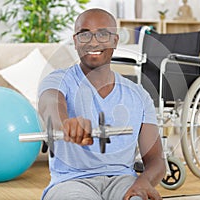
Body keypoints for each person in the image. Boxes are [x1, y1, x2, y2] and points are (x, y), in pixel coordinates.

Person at [38, 8, 166, 200]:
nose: (94, 42)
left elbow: (156, 160)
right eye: (85, 34)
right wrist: (65, 123)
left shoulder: (139, 94)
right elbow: (50, 104)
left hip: (123, 181)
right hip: (71, 182)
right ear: (75, 41)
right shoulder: (58, 80)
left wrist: (143, 182)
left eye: (103, 34)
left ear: (115, 40)